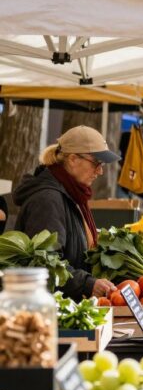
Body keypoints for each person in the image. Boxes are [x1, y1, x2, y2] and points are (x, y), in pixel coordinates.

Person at [12, 126, 119, 301]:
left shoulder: (72, 193)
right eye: (96, 163)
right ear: (73, 159)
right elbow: (45, 262)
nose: (100, 171)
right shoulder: (48, 200)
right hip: (49, 309)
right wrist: (87, 284)